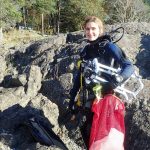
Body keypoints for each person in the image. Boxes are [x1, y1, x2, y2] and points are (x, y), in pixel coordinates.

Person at [68, 16, 134, 113]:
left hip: (109, 95)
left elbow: (129, 66)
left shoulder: (110, 47)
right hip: (91, 95)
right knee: (88, 126)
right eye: (87, 29)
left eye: (93, 28)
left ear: (100, 30)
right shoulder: (85, 51)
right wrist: (72, 97)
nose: (90, 32)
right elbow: (81, 74)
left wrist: (115, 81)